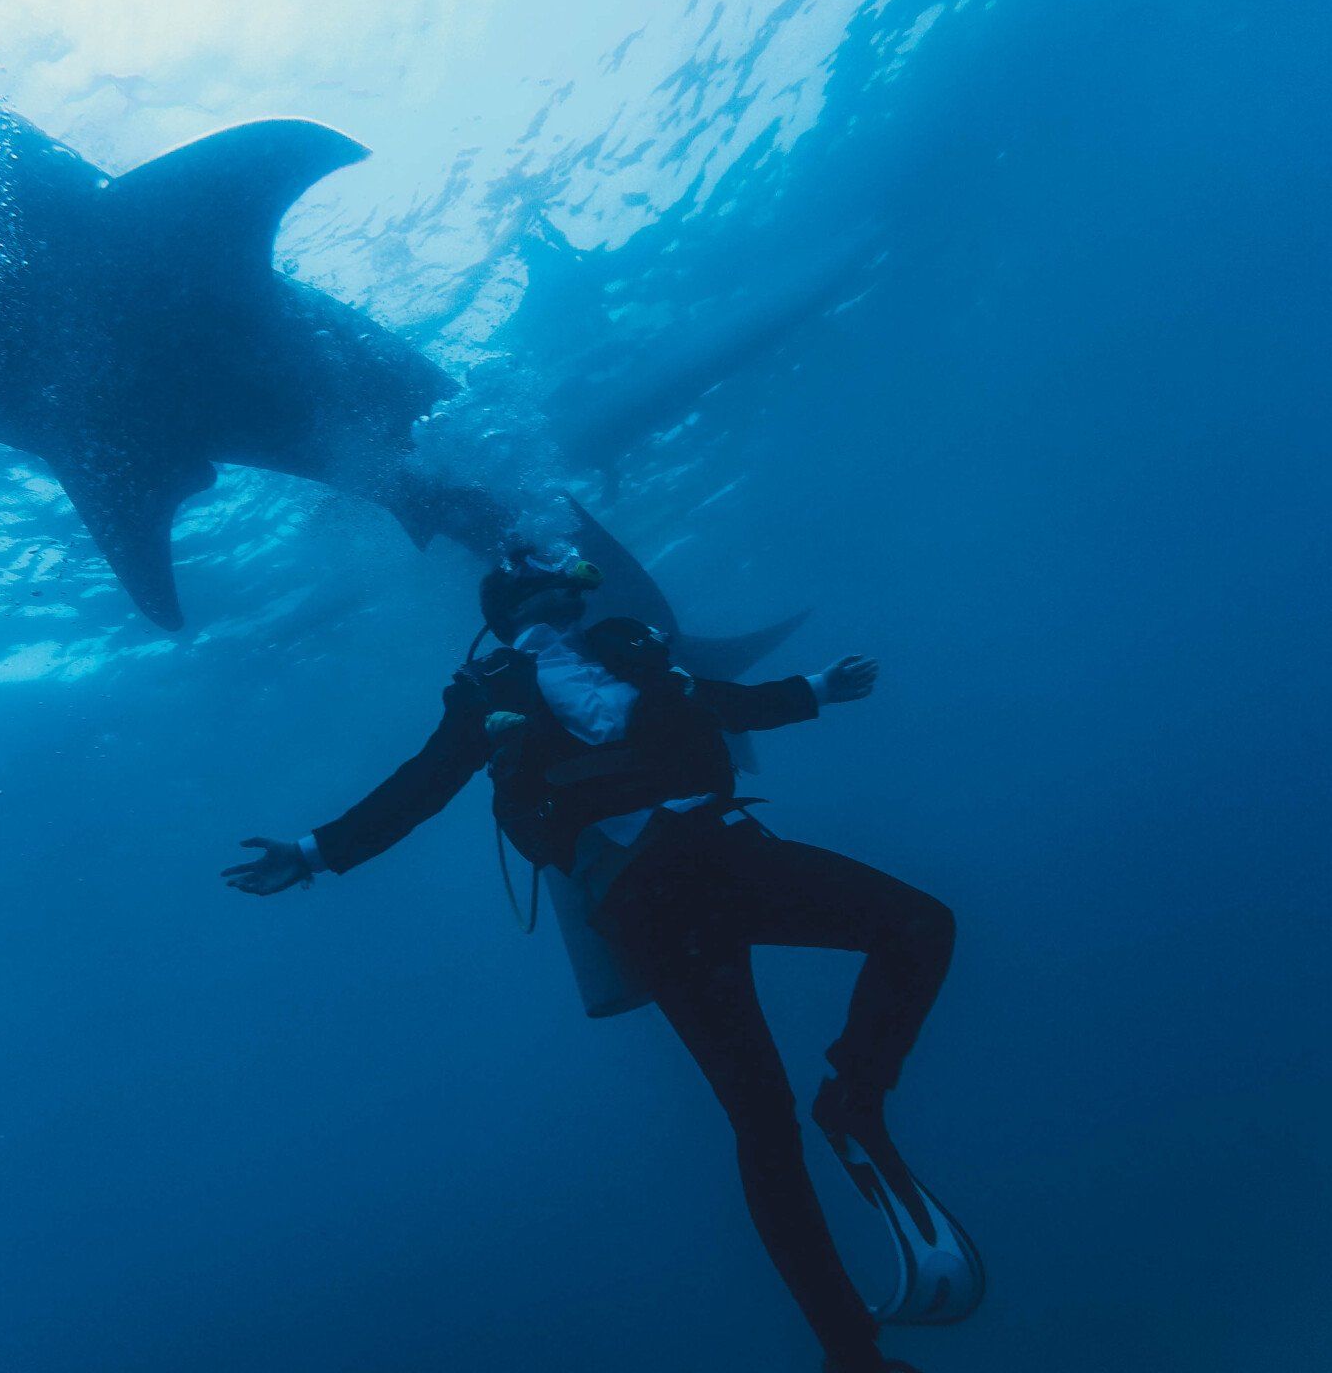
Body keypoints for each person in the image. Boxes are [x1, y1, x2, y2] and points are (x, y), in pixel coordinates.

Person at [223, 553, 954, 1373]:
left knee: (922, 926)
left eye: (561, 577)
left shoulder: (633, 649)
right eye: (532, 577)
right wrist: (317, 851)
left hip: (726, 852)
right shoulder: (485, 692)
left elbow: (720, 704)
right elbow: (423, 785)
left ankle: (854, 1097)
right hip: (647, 900)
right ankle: (850, 1354)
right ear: (502, 608)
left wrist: (816, 690)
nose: (557, 583)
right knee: (760, 1121)